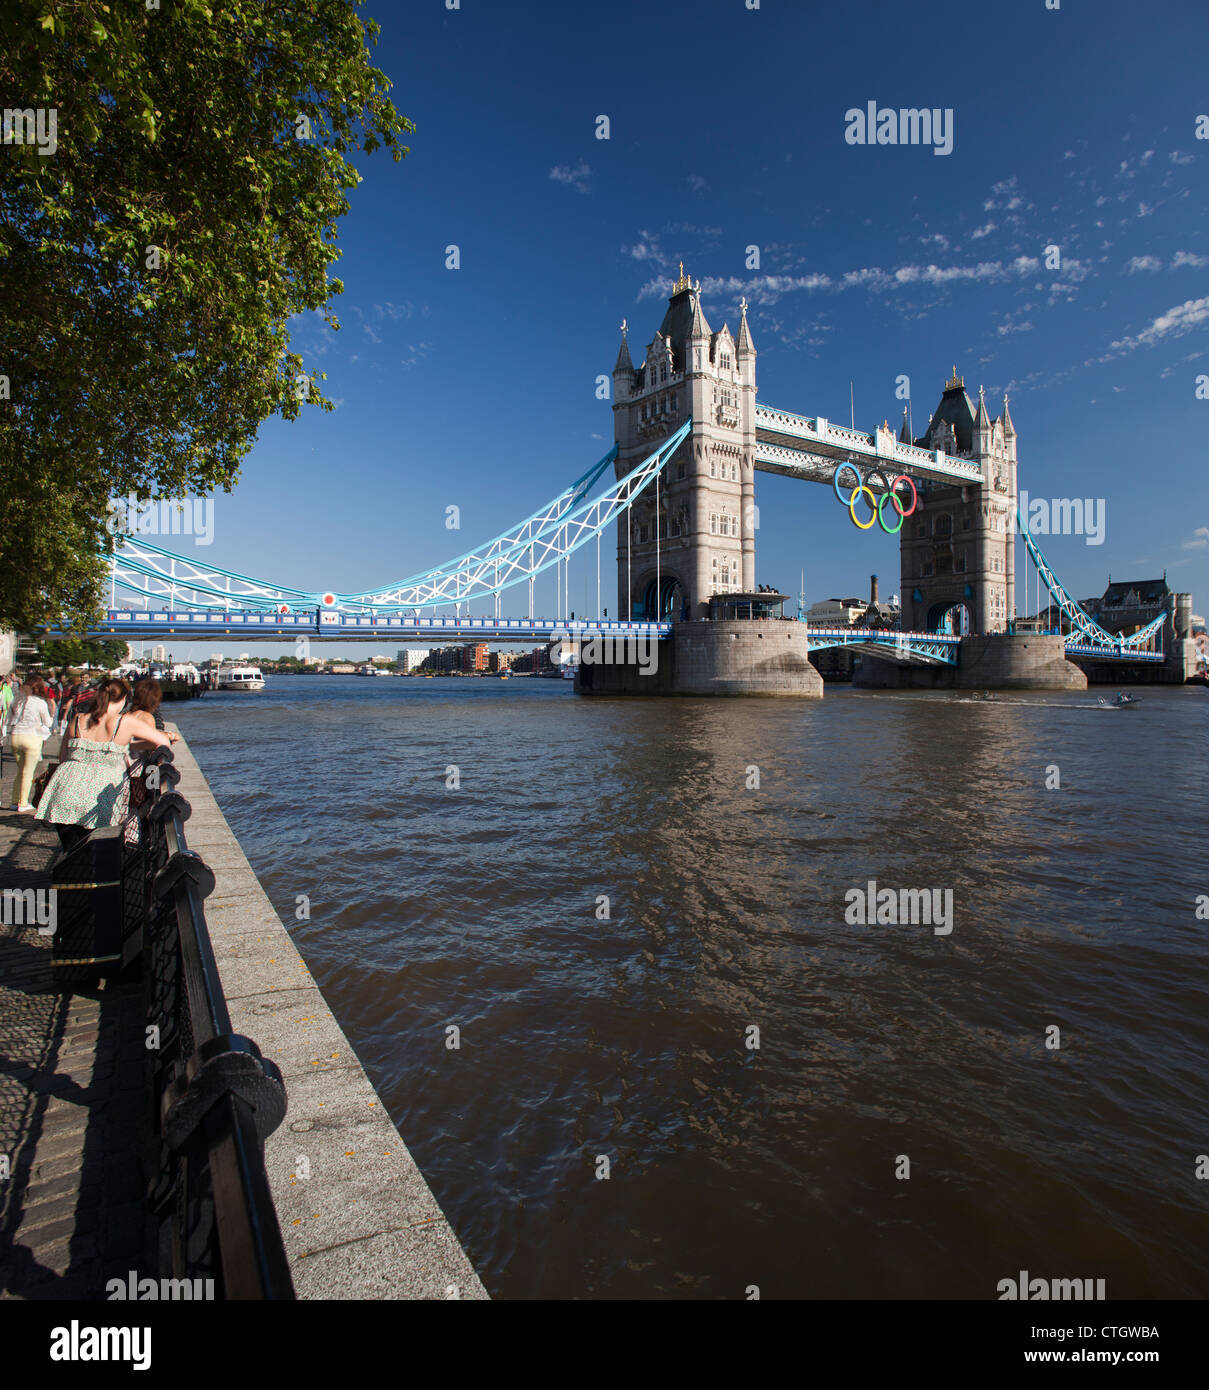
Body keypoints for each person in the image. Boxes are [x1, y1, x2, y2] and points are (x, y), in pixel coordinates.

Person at [35, 678, 173, 852]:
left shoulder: (78, 719)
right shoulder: (124, 722)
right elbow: (162, 742)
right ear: (123, 699)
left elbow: (63, 757)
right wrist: (127, 745)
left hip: (65, 789)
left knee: (71, 855)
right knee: (98, 855)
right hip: (101, 795)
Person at [4, 677, 55, 812]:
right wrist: (51, 716)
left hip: (15, 737)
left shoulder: (17, 701)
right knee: (28, 772)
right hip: (32, 737)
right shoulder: (40, 702)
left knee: (20, 771)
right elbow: (48, 723)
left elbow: (8, 719)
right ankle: (23, 803)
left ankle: (15, 801)